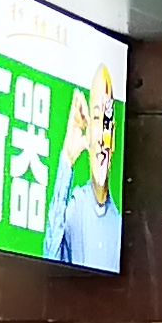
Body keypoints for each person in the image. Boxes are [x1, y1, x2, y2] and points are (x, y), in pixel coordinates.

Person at [46, 72, 125, 269]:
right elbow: (50, 260)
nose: (102, 138)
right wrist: (67, 159)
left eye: (107, 124)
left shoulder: (120, 225)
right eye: (97, 118)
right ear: (88, 132)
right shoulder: (75, 206)